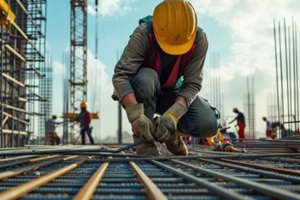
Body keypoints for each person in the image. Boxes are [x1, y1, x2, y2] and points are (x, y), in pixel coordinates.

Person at [112, 0, 219, 155]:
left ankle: (171, 133)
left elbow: (192, 84)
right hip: (141, 92)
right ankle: (143, 139)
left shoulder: (199, 39)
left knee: (208, 123)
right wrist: (135, 117)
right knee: (146, 78)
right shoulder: (143, 33)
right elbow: (121, 76)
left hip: (172, 94)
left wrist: (173, 115)